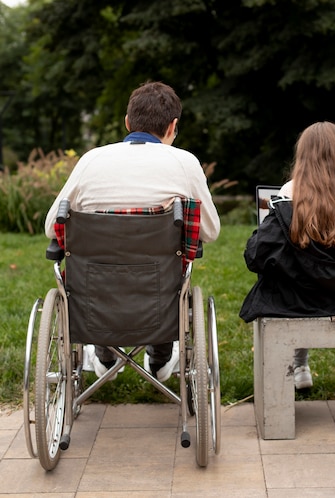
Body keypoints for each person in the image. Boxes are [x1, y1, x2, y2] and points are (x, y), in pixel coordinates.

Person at [45, 80, 220, 382]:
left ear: (127, 122)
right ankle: (161, 359)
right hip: (158, 297)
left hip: (94, 296)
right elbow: (211, 230)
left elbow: (53, 224)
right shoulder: (184, 163)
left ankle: (103, 354)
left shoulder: (92, 160)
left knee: (97, 272)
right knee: (167, 275)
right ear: (173, 126)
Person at [239, 121, 335, 390]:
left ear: (303, 156)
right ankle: (300, 364)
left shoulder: (288, 195)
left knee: (284, 279)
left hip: (297, 300)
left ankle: (296, 364)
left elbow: (256, 256)